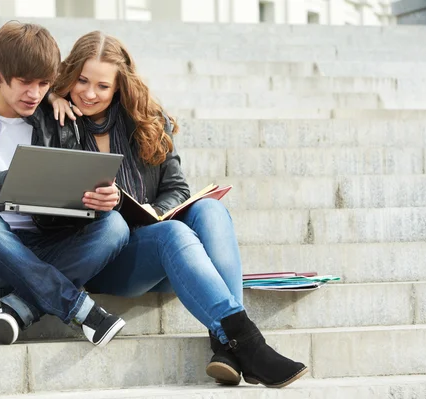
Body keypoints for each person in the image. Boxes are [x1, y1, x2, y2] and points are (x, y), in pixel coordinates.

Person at [47, 31, 308, 388]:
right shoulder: (58, 121)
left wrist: (154, 211)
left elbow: (176, 189)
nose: (90, 93)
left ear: (120, 86)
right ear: (69, 74)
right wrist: (50, 96)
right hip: (105, 256)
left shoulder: (149, 122)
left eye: (102, 86)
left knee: (211, 211)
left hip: (158, 249)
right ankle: (248, 344)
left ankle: (226, 346)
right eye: (82, 80)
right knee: (173, 233)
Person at [0, 22, 130, 348]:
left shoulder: (58, 119)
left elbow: (72, 203)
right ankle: (82, 310)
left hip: (44, 249)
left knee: (115, 227)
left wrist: (102, 200)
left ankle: (19, 309)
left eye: (43, 83)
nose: (34, 94)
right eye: (24, 83)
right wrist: (6, 184)